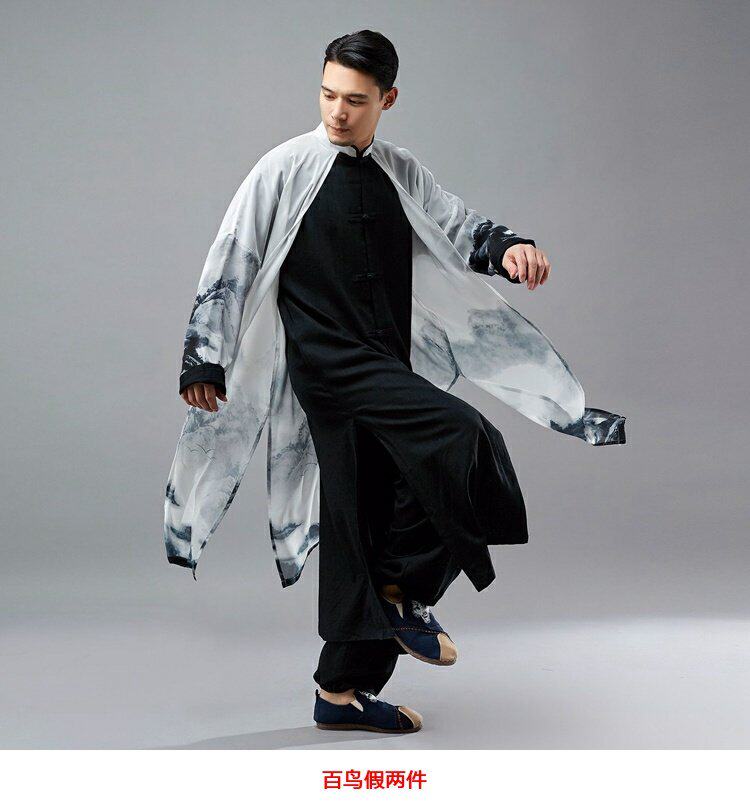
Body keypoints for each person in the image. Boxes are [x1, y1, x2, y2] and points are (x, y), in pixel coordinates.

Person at [170, 30, 625, 735]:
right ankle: (404, 592)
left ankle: (340, 691)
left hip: (387, 362)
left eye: (355, 100)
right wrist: (205, 357)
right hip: (329, 369)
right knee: (464, 435)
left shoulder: (399, 169)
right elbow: (232, 258)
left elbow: (458, 226)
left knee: (363, 518)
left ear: (388, 100)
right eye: (328, 95)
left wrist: (510, 247)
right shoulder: (283, 169)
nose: (337, 112)